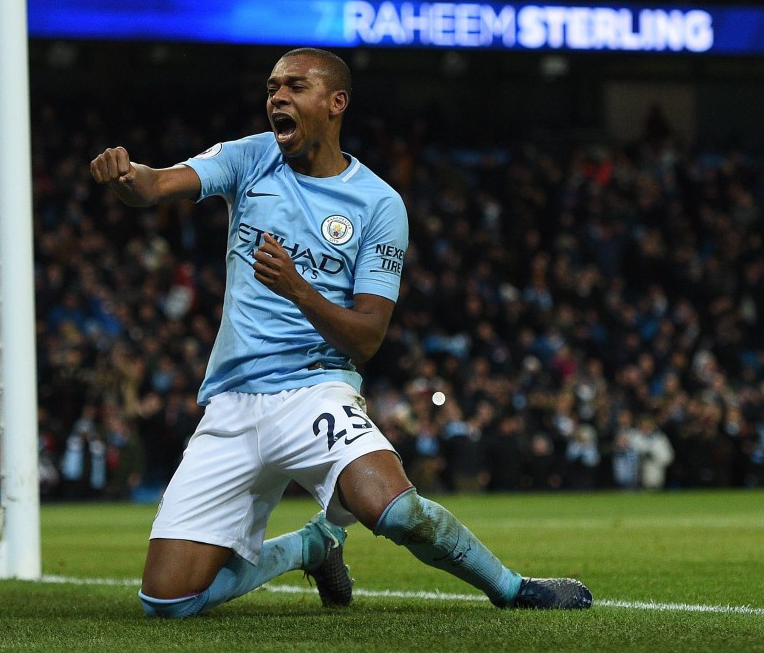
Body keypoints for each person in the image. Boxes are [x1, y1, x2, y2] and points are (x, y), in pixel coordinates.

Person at [90, 47, 592, 618]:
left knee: (395, 510)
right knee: (167, 601)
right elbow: (157, 186)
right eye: (273, 87)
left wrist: (300, 290)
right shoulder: (251, 158)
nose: (277, 96)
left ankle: (513, 588)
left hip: (313, 389)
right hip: (231, 401)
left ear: (336, 103)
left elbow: (369, 338)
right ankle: (312, 544)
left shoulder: (379, 204)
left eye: (295, 87)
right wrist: (128, 177)